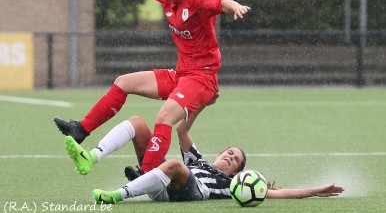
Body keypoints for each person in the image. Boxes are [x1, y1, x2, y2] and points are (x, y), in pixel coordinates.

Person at [54, 0, 251, 176]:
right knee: (123, 82)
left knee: (164, 117)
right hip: (182, 75)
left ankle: (146, 171)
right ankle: (81, 129)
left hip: (202, 79)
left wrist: (235, 6)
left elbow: (220, 2)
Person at [63, 116, 344, 204]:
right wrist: (198, 104)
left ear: (237, 170)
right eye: (228, 152)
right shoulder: (197, 158)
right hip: (170, 177)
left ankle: (117, 195)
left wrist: (317, 190)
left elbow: (278, 193)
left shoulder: (236, 183)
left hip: (191, 190)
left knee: (174, 164)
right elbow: (182, 128)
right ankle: (92, 156)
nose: (229, 156)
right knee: (138, 124)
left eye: (235, 159)